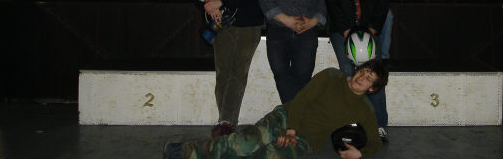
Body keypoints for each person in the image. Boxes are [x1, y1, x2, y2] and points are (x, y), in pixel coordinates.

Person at [163, 60, 388, 159]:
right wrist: (290, 130)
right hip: (286, 118)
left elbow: (375, 143)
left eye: (369, 78)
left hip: (305, 141)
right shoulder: (331, 76)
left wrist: (360, 153)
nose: (362, 77)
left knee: (264, 156)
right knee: (244, 144)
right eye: (363, 71)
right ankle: (184, 151)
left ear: (372, 88)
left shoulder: (365, 110)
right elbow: (301, 101)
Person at [195, 0, 264, 137]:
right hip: (221, 27)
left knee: (238, 73)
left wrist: (221, 1)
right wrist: (211, 6)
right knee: (223, 73)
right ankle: (224, 120)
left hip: (248, 27)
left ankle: (227, 121)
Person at [324, 0, 390, 142]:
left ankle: (378, 124)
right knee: (347, 73)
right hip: (342, 31)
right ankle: (349, 123)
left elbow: (382, 3)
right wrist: (346, 30)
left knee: (373, 75)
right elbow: (331, 4)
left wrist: (372, 29)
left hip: (369, 31)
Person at [259, 0, 327, 103]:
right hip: (277, 32)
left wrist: (312, 22)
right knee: (281, 73)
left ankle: (293, 115)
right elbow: (265, 0)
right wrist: (287, 20)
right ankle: (294, 113)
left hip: (307, 33)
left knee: (303, 75)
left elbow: (322, 4)